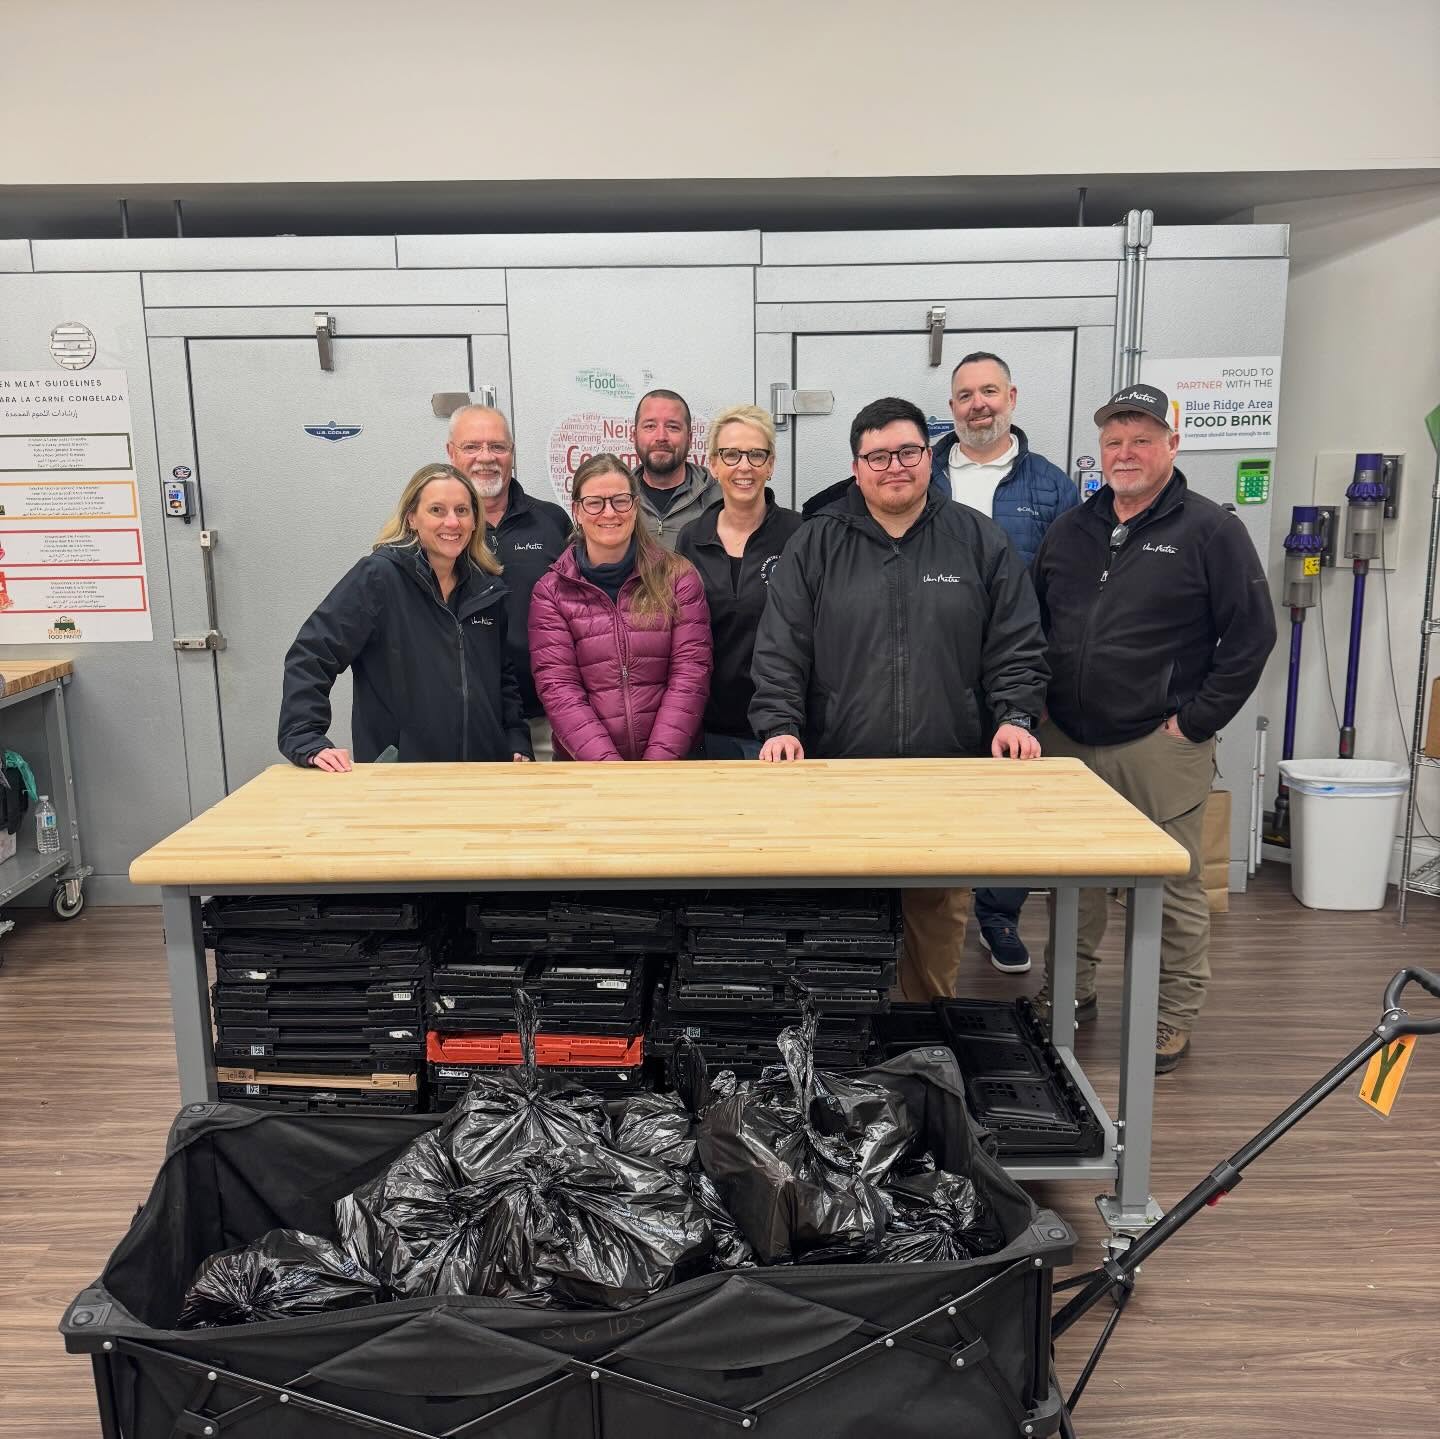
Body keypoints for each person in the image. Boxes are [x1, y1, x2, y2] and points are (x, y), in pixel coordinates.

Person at [749, 397, 1050, 1002]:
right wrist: (780, 726)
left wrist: (1015, 714)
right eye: (878, 455)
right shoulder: (816, 543)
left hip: (946, 769)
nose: (895, 466)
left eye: (908, 452)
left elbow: (1015, 642)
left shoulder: (976, 539)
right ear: (858, 466)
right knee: (844, 921)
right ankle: (848, 1038)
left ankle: (927, 1040)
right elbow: (781, 648)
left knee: (936, 918)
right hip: (840, 769)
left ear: (927, 458)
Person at [1031, 383, 1277, 1073]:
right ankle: (1069, 997)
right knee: (1069, 881)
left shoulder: (1210, 530)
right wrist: (1042, 707)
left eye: (1141, 439)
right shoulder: (1072, 531)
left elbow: (1252, 636)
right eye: (1114, 440)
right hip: (1069, 740)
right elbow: (1037, 624)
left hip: (1157, 744)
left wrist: (1194, 722)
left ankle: (1171, 1017)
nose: (1126, 452)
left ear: (1172, 444)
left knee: (1171, 885)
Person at [933, 352, 1080, 976]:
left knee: (1012, 801)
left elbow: (1069, 588)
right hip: (936, 667)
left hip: (1018, 665)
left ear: (1012, 397)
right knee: (937, 794)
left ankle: (997, 914)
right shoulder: (924, 472)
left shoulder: (1050, 485)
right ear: (952, 408)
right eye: (965, 395)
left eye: (989, 391)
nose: (978, 405)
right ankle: (928, 911)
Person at [278, 462, 532, 769]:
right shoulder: (378, 577)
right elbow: (312, 653)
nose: (452, 522)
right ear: (412, 517)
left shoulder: (487, 588)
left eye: (462, 511)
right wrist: (306, 738)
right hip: (402, 773)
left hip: (483, 772)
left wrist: (516, 737)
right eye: (437, 510)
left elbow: (501, 674)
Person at [528, 453, 712, 760]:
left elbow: (690, 675)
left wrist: (658, 763)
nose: (609, 512)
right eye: (595, 502)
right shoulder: (551, 592)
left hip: (673, 766)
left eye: (620, 500)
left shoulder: (678, 577)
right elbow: (560, 689)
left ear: (636, 506)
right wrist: (610, 769)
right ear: (577, 510)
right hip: (587, 770)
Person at [676, 404, 802, 759]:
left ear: (771, 464)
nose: (744, 466)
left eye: (756, 455)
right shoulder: (691, 538)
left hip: (781, 730)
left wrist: (786, 722)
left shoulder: (800, 535)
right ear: (714, 465)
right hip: (707, 727)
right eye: (731, 455)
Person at [446, 404, 570, 760]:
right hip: (466, 720)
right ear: (450, 453)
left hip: (546, 717)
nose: (486, 457)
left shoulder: (551, 521)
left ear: (512, 454)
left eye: (497, 447)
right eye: (472, 447)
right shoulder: (438, 531)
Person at [630, 388, 719, 548]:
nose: (661, 437)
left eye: (673, 427)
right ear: (635, 436)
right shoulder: (616, 499)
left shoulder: (721, 500)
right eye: (650, 426)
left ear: (689, 438)